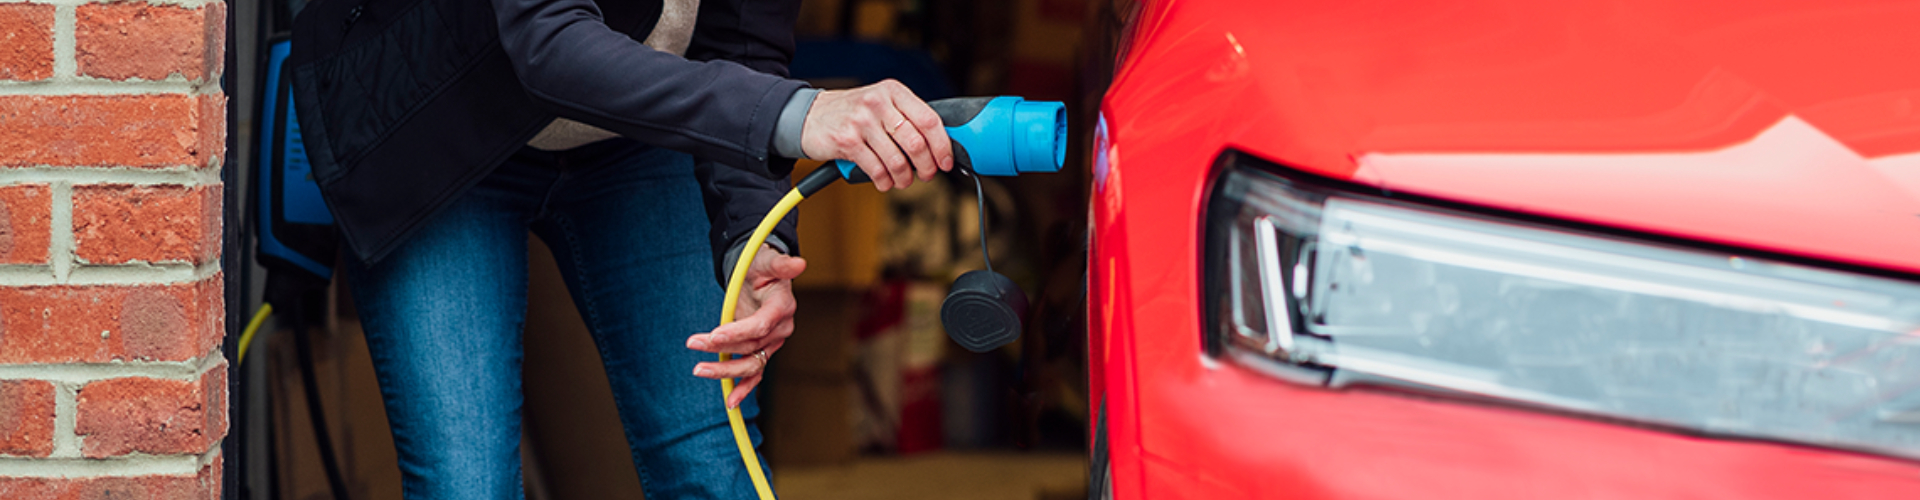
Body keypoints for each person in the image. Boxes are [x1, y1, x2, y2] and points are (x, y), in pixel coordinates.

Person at [287, 0, 952, 498]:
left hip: (632, 136)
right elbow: (548, 38)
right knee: (467, 482)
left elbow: (744, 41)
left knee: (712, 466)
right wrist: (798, 114)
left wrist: (752, 240)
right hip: (440, 122)